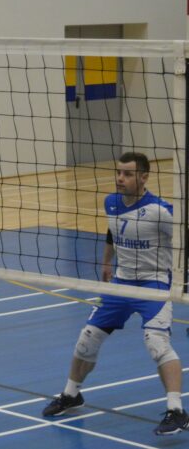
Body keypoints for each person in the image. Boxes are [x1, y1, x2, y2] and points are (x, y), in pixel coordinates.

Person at [42, 152, 188, 436]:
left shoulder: (161, 211)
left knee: (157, 343)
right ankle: (71, 394)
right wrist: (106, 262)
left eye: (128, 174)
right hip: (121, 283)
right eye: (119, 173)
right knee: (87, 339)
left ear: (144, 177)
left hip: (154, 285)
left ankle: (177, 411)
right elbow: (113, 231)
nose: (120, 178)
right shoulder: (111, 202)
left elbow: (183, 238)